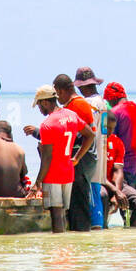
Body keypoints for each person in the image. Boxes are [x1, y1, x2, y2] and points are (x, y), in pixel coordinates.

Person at [31, 85, 93, 233]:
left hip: (53, 175)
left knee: (56, 214)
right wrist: (76, 158)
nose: (39, 109)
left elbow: (47, 158)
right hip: (68, 172)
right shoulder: (71, 115)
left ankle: (57, 249)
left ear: (45, 102)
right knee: (63, 213)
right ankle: (65, 250)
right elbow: (90, 135)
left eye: (39, 105)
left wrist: (37, 183)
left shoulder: (47, 125)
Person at [104, 81, 136, 224]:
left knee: (123, 208)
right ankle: (134, 242)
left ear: (111, 99)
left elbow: (109, 141)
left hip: (123, 168)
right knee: (135, 210)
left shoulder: (114, 113)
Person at [74, 67, 110, 229]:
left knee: (92, 195)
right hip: (101, 151)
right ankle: (98, 227)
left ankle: (95, 231)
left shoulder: (87, 104)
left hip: (89, 153)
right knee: (95, 191)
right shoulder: (102, 103)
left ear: (82, 87)